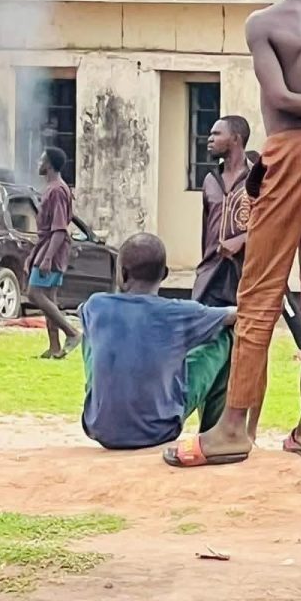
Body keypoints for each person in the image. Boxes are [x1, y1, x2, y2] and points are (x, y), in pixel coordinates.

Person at [168, 0, 301, 466]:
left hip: (289, 154)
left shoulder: (265, 23)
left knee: (259, 293)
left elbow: (279, 98)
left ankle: (233, 430)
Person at [81, 234, 236, 450]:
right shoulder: (180, 313)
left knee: (90, 330)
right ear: (164, 275)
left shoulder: (95, 305)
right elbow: (234, 315)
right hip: (159, 431)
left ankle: (102, 402)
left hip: (100, 428)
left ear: (122, 273)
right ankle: (212, 432)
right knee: (224, 335)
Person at [193, 116, 255, 309]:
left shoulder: (258, 179)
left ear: (236, 139)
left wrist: (243, 239)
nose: (209, 139)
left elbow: (275, 227)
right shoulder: (210, 180)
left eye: (216, 134)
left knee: (245, 334)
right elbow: (206, 228)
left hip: (245, 274)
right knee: (204, 333)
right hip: (210, 276)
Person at [25, 146, 80, 360]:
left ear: (48, 164)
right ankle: (55, 347)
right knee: (49, 297)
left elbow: (59, 228)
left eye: (41, 159)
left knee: (34, 292)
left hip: (53, 247)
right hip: (47, 245)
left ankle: (72, 333)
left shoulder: (56, 190)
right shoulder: (53, 188)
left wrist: (47, 258)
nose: (38, 163)